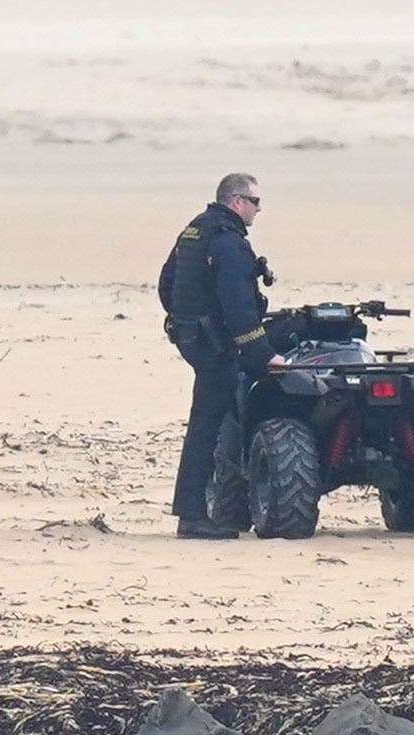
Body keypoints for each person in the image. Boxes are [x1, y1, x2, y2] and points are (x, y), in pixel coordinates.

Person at [158, 173, 286, 539]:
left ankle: (206, 509)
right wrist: (263, 355)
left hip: (192, 338)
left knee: (210, 420)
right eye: (255, 202)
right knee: (208, 426)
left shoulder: (193, 232)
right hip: (213, 345)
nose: (259, 210)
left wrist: (187, 319)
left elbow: (167, 285)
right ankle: (193, 516)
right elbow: (239, 306)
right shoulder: (228, 242)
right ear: (236, 202)